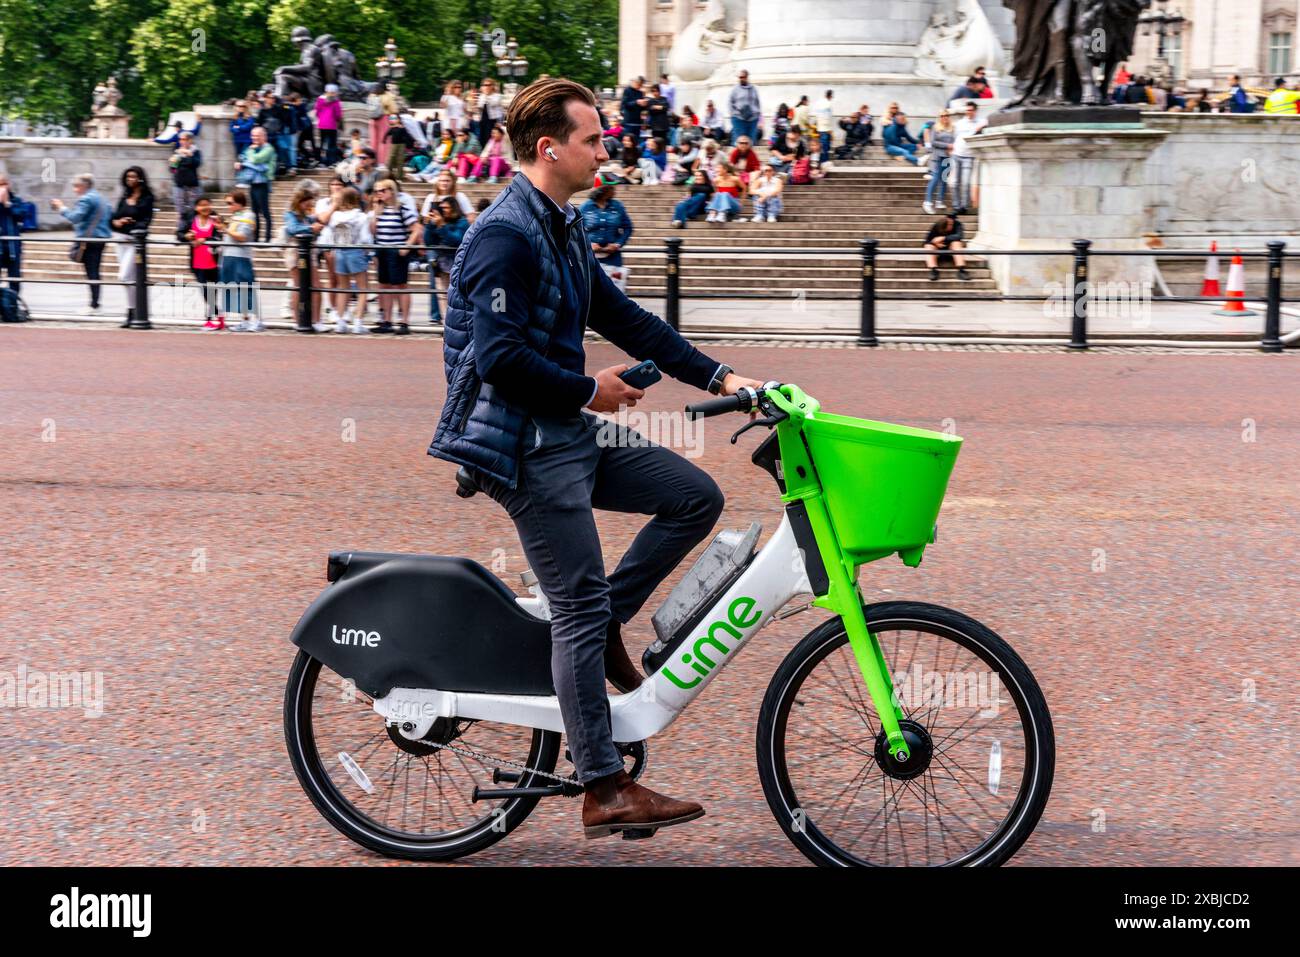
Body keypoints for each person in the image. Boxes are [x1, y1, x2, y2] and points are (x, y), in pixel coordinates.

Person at [428, 77, 766, 837]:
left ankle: (611, 614)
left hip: (568, 430)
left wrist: (722, 377)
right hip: (522, 443)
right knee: (574, 606)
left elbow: (624, 317)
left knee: (692, 496)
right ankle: (604, 786)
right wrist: (589, 389)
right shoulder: (505, 236)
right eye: (593, 139)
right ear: (550, 149)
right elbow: (499, 360)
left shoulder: (563, 225)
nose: (605, 148)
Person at [50, 173, 111, 312]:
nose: (74, 189)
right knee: (94, 271)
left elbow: (75, 217)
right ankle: (95, 303)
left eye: (76, 186)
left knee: (92, 272)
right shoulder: (102, 198)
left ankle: (94, 305)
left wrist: (61, 207)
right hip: (101, 239)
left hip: (89, 240)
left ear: (84, 186)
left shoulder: (86, 199)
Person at [368, 178, 420, 334]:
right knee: (383, 285)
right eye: (376, 191)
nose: (379, 194)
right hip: (381, 250)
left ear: (391, 191)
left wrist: (407, 246)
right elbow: (373, 231)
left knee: (400, 285)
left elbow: (416, 228)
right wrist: (375, 215)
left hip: (396, 251)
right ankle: (386, 320)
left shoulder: (402, 209)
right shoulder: (379, 211)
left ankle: (404, 322)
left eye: (382, 190)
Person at [109, 166, 155, 327]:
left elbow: (146, 220)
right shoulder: (124, 196)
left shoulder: (147, 198)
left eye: (134, 176)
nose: (130, 179)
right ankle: (133, 311)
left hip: (135, 242)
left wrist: (133, 224)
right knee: (130, 279)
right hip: (120, 240)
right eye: (128, 176)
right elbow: (113, 218)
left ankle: (134, 311)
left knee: (124, 277)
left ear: (140, 178)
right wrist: (117, 222)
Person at [324, 186, 372, 333]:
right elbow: (365, 238)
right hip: (355, 251)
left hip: (340, 251)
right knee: (363, 288)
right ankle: (357, 322)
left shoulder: (335, 216)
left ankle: (340, 321)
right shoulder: (361, 217)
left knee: (343, 288)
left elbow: (331, 236)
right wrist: (368, 251)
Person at [284, 183, 326, 329]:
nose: (309, 204)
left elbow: (318, 226)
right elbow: (292, 229)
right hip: (295, 252)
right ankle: (298, 320)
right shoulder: (290, 214)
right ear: (299, 201)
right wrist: (310, 228)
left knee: (316, 286)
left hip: (310, 251)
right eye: (307, 202)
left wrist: (316, 226)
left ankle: (317, 320)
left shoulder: (309, 215)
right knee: (298, 286)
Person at [217, 189, 261, 330]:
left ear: (239, 203)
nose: (228, 206)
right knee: (235, 289)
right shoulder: (236, 216)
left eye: (230, 203)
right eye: (227, 203)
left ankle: (256, 320)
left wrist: (225, 229)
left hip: (241, 256)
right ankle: (245, 320)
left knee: (246, 287)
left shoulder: (249, 215)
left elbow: (242, 237)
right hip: (229, 256)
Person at [422, 196, 469, 325]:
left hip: (458, 264)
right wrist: (430, 226)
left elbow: (456, 240)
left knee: (457, 295)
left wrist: (442, 226)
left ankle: (459, 322)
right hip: (442, 264)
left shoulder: (462, 222)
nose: (443, 211)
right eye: (441, 208)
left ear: (454, 208)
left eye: (446, 208)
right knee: (443, 295)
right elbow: (428, 242)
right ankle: (447, 323)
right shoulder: (438, 222)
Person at [178, 196, 222, 328]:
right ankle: (217, 315)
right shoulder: (191, 220)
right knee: (204, 289)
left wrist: (204, 239)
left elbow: (219, 236)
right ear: (196, 208)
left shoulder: (215, 220)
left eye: (207, 204)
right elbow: (179, 234)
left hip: (213, 262)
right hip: (197, 263)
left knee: (212, 290)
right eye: (202, 205)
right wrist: (186, 236)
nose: (205, 207)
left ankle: (210, 319)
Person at [580, 183, 633, 291]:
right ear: (601, 191)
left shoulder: (617, 206)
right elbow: (577, 230)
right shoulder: (585, 207)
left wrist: (618, 244)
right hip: (590, 255)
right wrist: (588, 244)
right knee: (591, 289)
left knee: (615, 289)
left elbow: (628, 227)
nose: (614, 191)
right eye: (610, 188)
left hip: (613, 256)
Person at [235, 126, 277, 242]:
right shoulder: (253, 148)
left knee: (265, 211)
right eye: (253, 135)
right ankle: (256, 238)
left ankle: (267, 238)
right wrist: (246, 161)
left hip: (263, 183)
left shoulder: (268, 149)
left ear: (264, 136)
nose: (254, 138)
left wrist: (249, 154)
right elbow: (243, 158)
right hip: (253, 183)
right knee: (254, 212)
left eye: (257, 135)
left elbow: (256, 160)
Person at [951, 100, 986, 212]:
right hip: (956, 154)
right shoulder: (959, 123)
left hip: (969, 156)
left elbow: (987, 123)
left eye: (971, 110)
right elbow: (955, 136)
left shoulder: (980, 122)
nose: (968, 112)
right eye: (967, 110)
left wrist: (979, 128)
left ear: (975, 111)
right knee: (955, 182)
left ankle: (964, 206)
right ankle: (956, 206)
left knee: (966, 182)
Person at [922, 109, 956, 214]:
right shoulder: (935, 128)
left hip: (948, 157)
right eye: (942, 115)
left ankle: (939, 200)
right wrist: (947, 146)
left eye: (946, 115)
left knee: (944, 179)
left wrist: (952, 148)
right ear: (939, 117)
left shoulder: (952, 128)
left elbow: (955, 140)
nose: (944, 117)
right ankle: (927, 202)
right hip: (938, 157)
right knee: (936, 178)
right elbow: (933, 142)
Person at [924, 213, 971, 281]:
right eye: (949, 223)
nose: (950, 224)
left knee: (957, 243)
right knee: (928, 246)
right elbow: (927, 240)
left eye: (952, 223)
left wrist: (944, 238)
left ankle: (961, 270)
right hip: (938, 249)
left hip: (951, 248)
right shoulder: (938, 224)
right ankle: (933, 270)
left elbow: (959, 236)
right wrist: (935, 243)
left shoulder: (958, 224)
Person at [0, 174, 27, 293]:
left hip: (13, 248)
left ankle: (13, 306)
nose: (3, 188)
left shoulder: (16, 200)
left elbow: (21, 216)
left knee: (15, 279)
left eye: (5, 184)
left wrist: (7, 204)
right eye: (0, 185)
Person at [169, 130, 202, 223]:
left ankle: (192, 227)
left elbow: (196, 164)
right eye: (180, 139)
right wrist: (172, 163)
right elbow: (172, 169)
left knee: (193, 207)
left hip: (192, 184)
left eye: (184, 139)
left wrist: (189, 155)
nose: (181, 141)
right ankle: (182, 229)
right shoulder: (177, 152)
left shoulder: (195, 151)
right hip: (179, 183)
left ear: (190, 140)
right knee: (180, 208)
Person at [728, 69, 762, 144]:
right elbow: (730, 102)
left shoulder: (753, 89)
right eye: (740, 77)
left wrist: (758, 115)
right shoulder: (735, 89)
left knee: (751, 141)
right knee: (738, 140)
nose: (741, 79)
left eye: (743, 77)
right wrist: (732, 114)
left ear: (747, 77)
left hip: (752, 118)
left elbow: (757, 103)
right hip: (738, 118)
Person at [315, 85, 343, 165]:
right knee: (332, 144)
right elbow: (338, 114)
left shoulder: (320, 99)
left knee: (322, 143)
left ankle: (322, 161)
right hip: (331, 125)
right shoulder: (336, 101)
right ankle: (331, 161)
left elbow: (317, 111)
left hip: (322, 124)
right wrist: (337, 120)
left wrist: (321, 118)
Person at [383, 112, 414, 182]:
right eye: (392, 118)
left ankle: (399, 177)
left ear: (399, 120)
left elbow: (408, 136)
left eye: (395, 118)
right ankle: (389, 175)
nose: (393, 120)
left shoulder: (403, 128)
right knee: (391, 159)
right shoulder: (392, 128)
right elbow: (387, 134)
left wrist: (409, 143)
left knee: (400, 160)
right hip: (393, 145)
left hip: (401, 145)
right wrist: (384, 139)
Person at [620, 76, 648, 144]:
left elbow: (642, 109)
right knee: (628, 140)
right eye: (639, 84)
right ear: (635, 82)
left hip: (637, 121)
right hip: (629, 120)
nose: (639, 86)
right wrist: (636, 102)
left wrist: (644, 105)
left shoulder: (640, 93)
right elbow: (625, 104)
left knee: (636, 141)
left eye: (641, 85)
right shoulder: (627, 90)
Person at [813, 89, 835, 164]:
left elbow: (816, 116)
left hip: (820, 128)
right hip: (826, 129)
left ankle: (821, 162)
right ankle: (823, 163)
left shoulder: (819, 102)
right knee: (825, 148)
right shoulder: (828, 104)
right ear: (830, 96)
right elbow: (827, 119)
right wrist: (830, 131)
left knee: (822, 147)